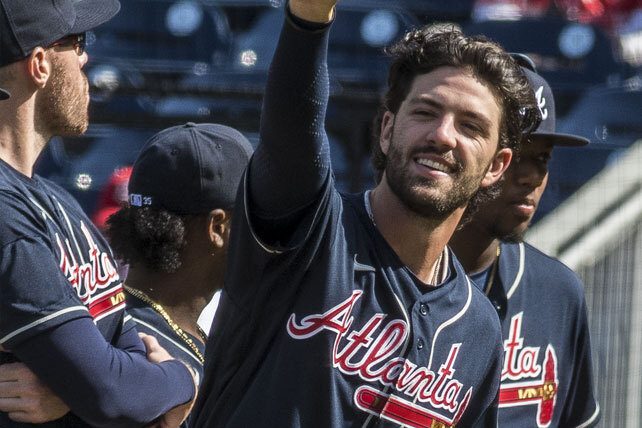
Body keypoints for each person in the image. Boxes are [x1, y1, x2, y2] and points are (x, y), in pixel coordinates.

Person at [190, 0, 540, 426]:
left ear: (497, 166)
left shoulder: (480, 329)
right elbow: (292, 129)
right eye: (426, 112)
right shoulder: (308, 229)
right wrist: (308, 19)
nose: (443, 136)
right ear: (388, 130)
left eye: (471, 126)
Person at [0, 0, 197, 426]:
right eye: (77, 43)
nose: (87, 57)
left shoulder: (58, 202)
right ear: (39, 64)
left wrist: (77, 393)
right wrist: (183, 378)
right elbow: (111, 392)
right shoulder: (6, 214)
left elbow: (126, 361)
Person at [449, 58, 601, 427]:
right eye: (515, 155)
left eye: (542, 158)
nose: (531, 176)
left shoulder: (558, 291)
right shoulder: (384, 275)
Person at [106, 122, 253, 381]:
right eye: (253, 218)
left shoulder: (110, 327)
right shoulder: (138, 355)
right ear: (217, 228)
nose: (260, 234)